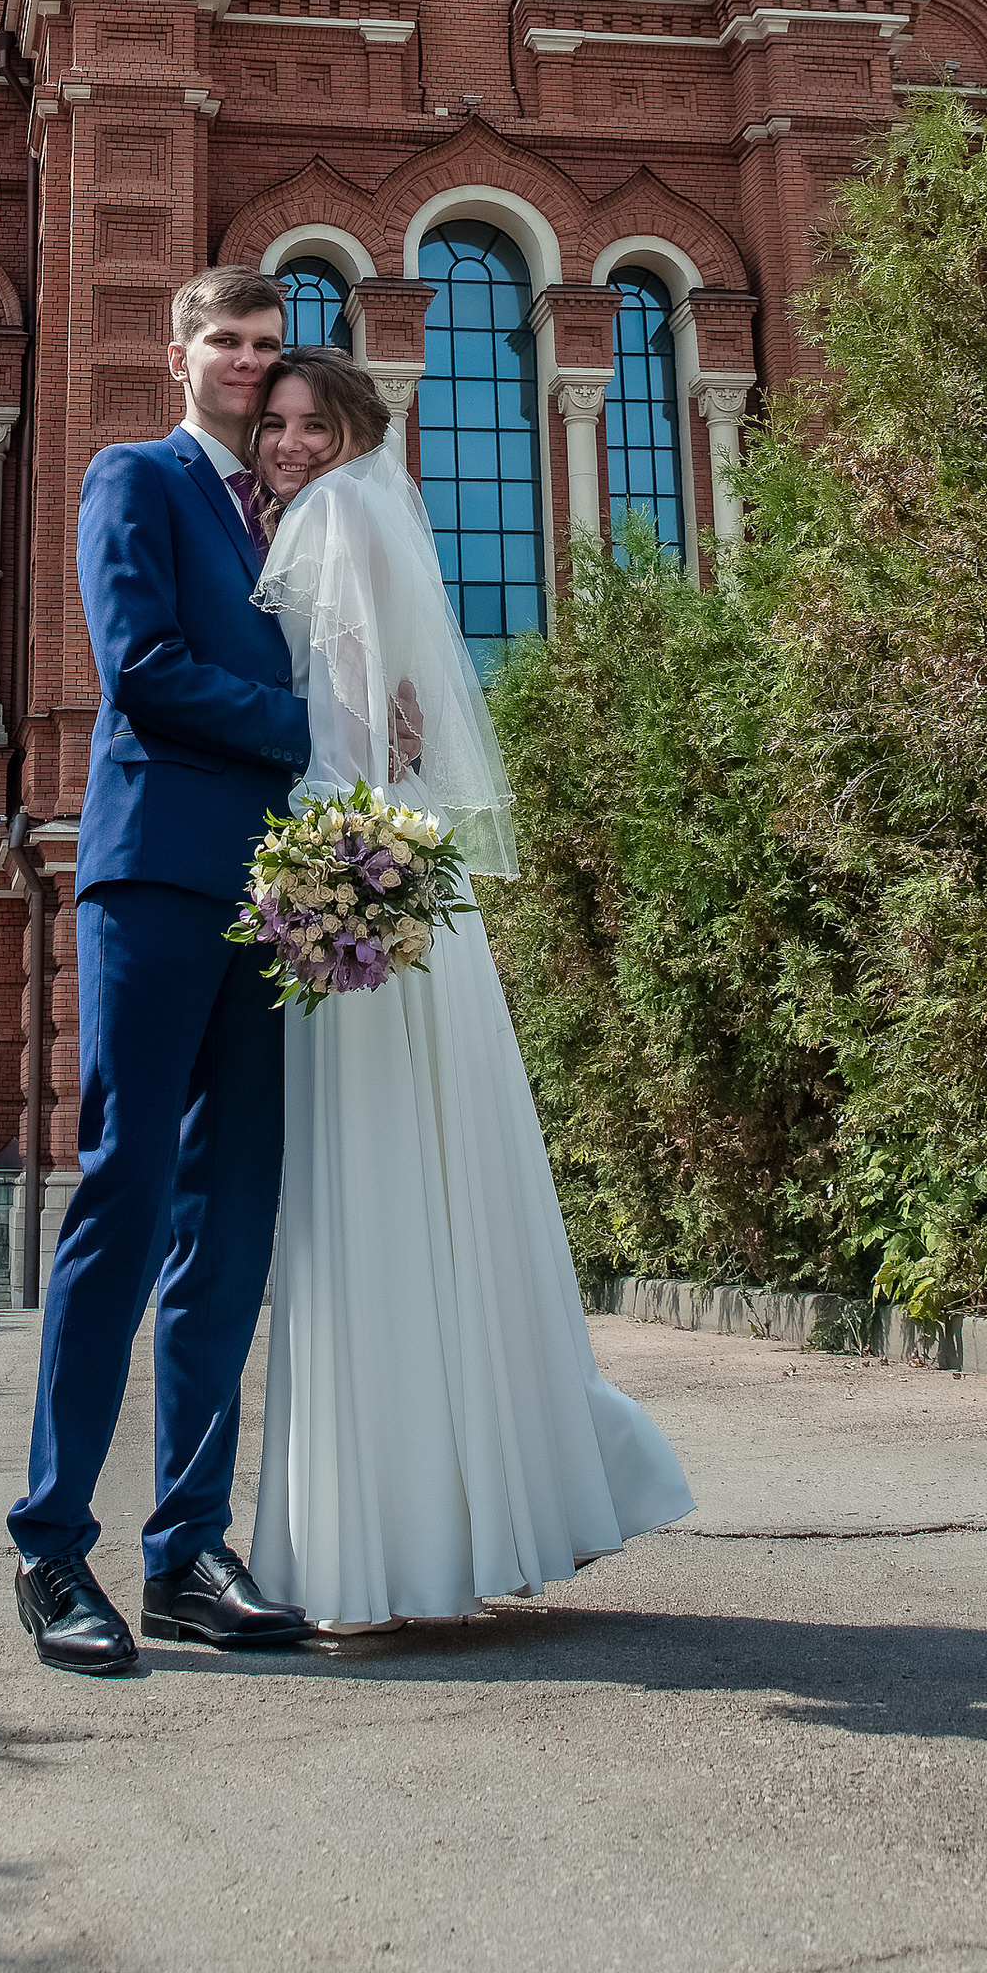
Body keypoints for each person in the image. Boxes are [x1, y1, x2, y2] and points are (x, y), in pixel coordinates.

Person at [243, 346, 694, 1628]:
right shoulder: (377, 512)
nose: (285, 444)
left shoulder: (327, 520)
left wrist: (316, 863)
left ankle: (382, 1547)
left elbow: (331, 730)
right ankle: (491, 1501)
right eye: (273, 424)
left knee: (368, 1205)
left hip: (347, 887)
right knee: (436, 1192)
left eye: (307, 422)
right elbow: (396, 715)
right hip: (397, 883)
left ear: (349, 430)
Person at [6, 269, 316, 1674]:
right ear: (178, 353)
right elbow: (141, 666)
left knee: (230, 1221)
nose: (249, 364)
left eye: (267, 344)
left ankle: (187, 1549)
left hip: (285, 901)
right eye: (228, 343)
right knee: (125, 1196)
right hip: (154, 878)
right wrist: (314, 724)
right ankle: (52, 1545)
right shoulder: (134, 476)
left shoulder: (296, 507)